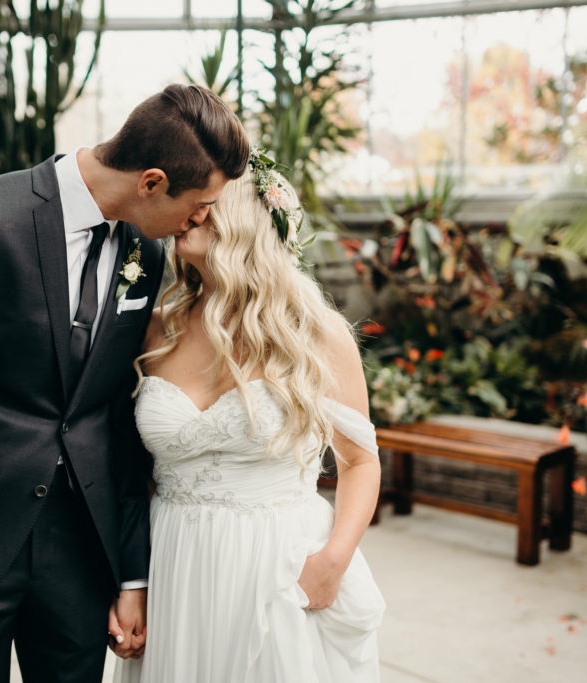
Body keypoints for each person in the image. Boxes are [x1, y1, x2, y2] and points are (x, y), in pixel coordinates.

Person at [0, 84, 250, 682]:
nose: (200, 221)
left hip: (81, 558)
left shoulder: (145, 249)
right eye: (197, 204)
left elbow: (117, 413)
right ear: (151, 181)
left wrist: (131, 574)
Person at [114, 152, 386, 683]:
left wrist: (333, 560)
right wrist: (133, 583)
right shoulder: (156, 328)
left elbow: (359, 462)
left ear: (242, 222)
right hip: (176, 561)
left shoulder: (316, 334)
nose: (187, 215)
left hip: (276, 564)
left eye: (204, 205)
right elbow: (135, 473)